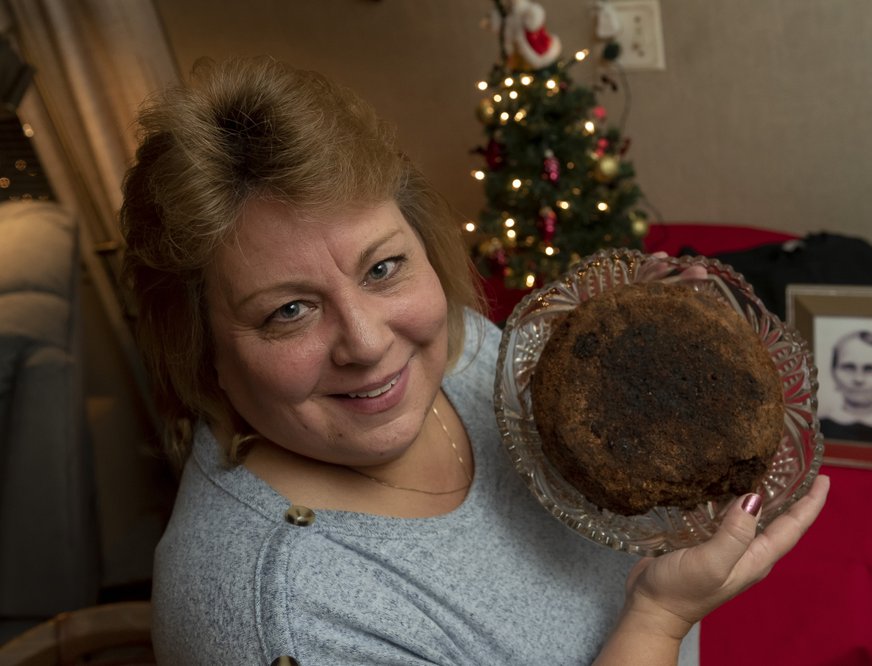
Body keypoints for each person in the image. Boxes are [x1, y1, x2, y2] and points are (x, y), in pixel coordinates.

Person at [119, 55, 829, 665]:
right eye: (289, 311)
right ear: (201, 349)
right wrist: (659, 620)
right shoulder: (280, 621)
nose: (368, 342)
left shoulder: (454, 347)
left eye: (382, 268)